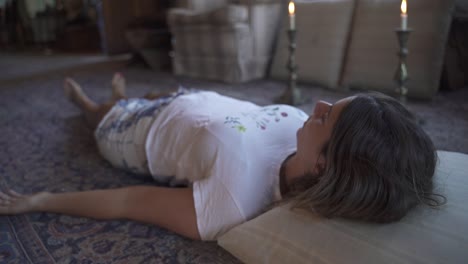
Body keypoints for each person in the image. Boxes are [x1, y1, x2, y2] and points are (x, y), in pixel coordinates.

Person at [0, 73, 444, 241]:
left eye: (326, 118)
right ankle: (121, 93)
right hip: (195, 102)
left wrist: (37, 201)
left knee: (101, 117)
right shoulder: (305, 138)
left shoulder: (232, 200)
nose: (318, 107)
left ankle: (90, 104)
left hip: (140, 135)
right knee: (144, 93)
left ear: (324, 165)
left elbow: (129, 202)